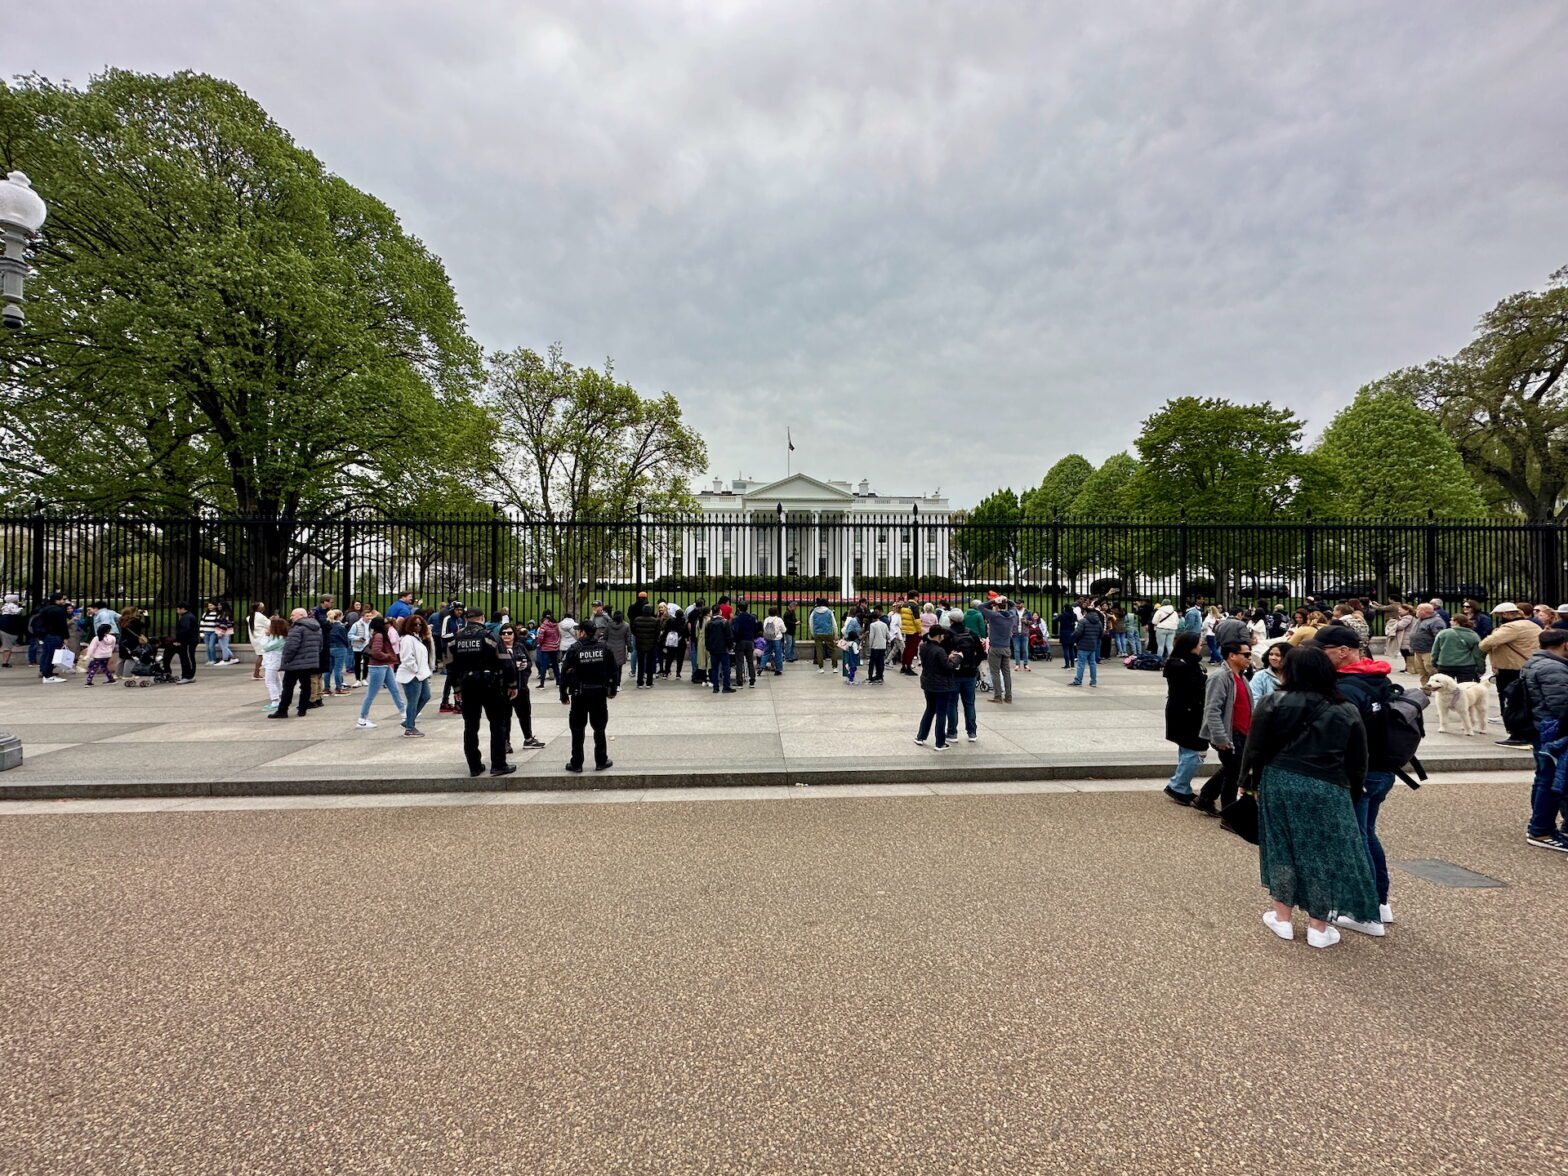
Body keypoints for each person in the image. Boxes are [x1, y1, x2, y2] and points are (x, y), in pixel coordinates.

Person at [1246, 645, 1380, 949]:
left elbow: (1255, 748)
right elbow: (1358, 758)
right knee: (1322, 851)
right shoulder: (1345, 708)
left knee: (1281, 847)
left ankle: (1282, 917)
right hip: (1328, 784)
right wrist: (1353, 790)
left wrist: (1249, 782)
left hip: (1280, 778)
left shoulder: (1273, 701)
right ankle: (1319, 925)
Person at [1310, 625, 1400, 934]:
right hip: (1383, 769)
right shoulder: (1377, 677)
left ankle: (1363, 911)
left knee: (1353, 839)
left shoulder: (1346, 686)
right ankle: (1378, 901)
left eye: (1323, 651)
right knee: (1366, 834)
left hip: (1359, 772)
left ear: (1343, 651)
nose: (1319, 657)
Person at [445, 608, 515, 776]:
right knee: (497, 724)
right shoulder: (489, 636)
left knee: (470, 726)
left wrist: (456, 688)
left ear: (467, 619)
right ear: (482, 618)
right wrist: (512, 684)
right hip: (490, 684)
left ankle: (474, 766)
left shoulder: (455, 639)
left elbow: (450, 665)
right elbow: (506, 662)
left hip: (467, 685)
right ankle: (498, 764)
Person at [1519, 628, 1568, 852]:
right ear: (1564, 645)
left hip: (1541, 726)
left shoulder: (1537, 662)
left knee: (1544, 778)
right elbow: (1561, 705)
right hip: (1552, 729)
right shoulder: (1553, 667)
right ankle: (1541, 829)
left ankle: (1542, 825)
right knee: (1550, 780)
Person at [1195, 640, 1253, 815]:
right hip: (1229, 733)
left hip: (1242, 732)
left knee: (1231, 768)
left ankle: (1205, 798)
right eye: (1246, 654)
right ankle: (1229, 812)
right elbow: (1212, 709)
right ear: (1232, 656)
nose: (1250, 657)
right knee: (1234, 772)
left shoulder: (1241, 677)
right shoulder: (1219, 677)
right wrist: (1220, 736)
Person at [1481, 603, 1542, 747]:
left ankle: (1518, 734)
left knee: (1512, 703)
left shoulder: (1511, 628)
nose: (1499, 618)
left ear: (1507, 614)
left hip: (1511, 669)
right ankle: (1529, 732)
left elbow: (1485, 643)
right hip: (1529, 666)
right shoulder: (1532, 625)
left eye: (1500, 615)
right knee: (1526, 702)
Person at [559, 620, 617, 772]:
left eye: (579, 631)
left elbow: (564, 672)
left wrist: (563, 694)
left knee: (577, 729)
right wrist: (612, 690)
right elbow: (613, 670)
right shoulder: (604, 648)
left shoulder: (575, 649)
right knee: (599, 728)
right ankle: (601, 760)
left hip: (579, 694)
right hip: (599, 694)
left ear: (583, 632)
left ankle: (577, 763)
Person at [1162, 631, 1209, 805]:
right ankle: (1178, 785)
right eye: (1199, 644)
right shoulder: (1180, 665)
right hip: (1186, 712)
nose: (1201, 646)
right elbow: (1195, 687)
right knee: (1194, 750)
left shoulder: (1186, 663)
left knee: (1188, 749)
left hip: (1187, 710)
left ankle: (1182, 785)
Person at [497, 624, 547, 755]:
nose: (506, 635)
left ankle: (528, 738)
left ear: (514, 634)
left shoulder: (519, 647)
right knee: (505, 716)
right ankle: (505, 741)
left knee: (524, 714)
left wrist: (524, 667)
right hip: (505, 689)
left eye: (509, 633)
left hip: (521, 686)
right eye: (503, 633)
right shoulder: (498, 649)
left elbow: (529, 662)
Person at [269, 608, 322, 718]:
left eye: (293, 615)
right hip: (309, 662)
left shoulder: (297, 627)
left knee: (288, 687)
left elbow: (291, 646)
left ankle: (282, 710)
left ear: (301, 615)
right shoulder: (316, 627)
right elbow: (320, 645)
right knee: (306, 686)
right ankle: (302, 709)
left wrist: (286, 659)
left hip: (295, 662)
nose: (291, 617)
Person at [357, 617, 406, 729]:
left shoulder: (378, 635)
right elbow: (376, 652)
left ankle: (404, 713)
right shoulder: (379, 635)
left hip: (383, 665)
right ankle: (362, 719)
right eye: (384, 623)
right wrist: (387, 656)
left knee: (395, 690)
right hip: (378, 666)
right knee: (371, 694)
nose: (387, 625)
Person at [396, 613, 435, 737]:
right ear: (409, 625)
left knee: (426, 696)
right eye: (415, 624)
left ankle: (408, 721)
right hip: (412, 675)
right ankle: (409, 728)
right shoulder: (407, 639)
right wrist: (416, 670)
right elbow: (407, 658)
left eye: (420, 624)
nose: (418, 626)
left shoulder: (416, 638)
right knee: (413, 701)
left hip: (420, 674)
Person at [947, 609, 982, 743]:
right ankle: (972, 732)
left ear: (950, 620)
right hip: (970, 673)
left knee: (952, 704)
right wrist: (973, 664)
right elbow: (981, 653)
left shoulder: (948, 634)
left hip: (954, 673)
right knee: (969, 704)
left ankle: (952, 733)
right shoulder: (971, 633)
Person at [980, 596, 1017, 704]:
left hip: (995, 647)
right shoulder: (1011, 615)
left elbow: (980, 606)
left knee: (995, 673)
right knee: (1006, 673)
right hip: (1006, 647)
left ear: (996, 606)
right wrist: (1006, 599)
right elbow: (1013, 605)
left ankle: (998, 696)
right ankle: (1008, 696)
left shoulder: (995, 616)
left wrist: (994, 601)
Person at [1431, 612, 1485, 684]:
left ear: (1456, 622)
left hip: (1445, 665)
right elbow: (1477, 654)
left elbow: (1435, 650)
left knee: (1446, 688)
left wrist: (1434, 662)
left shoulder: (1443, 633)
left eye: (1451, 620)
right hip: (1466, 666)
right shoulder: (1473, 635)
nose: (1449, 621)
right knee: (1464, 688)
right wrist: (1481, 668)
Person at [1404, 603, 1446, 686]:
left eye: (1418, 609)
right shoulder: (1419, 619)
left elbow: (1439, 637)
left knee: (1430, 669)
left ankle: (1439, 686)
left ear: (1425, 611)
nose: (1416, 610)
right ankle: (1426, 688)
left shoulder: (1436, 621)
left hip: (1428, 650)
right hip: (1418, 650)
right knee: (1421, 671)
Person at [36, 592, 71, 682]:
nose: (64, 601)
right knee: (51, 655)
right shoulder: (59, 610)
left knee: (46, 654)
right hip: (55, 635)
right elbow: (62, 625)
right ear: (57, 600)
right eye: (62, 599)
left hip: (46, 635)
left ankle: (45, 672)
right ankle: (48, 675)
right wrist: (66, 637)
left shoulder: (45, 609)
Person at [1070, 604, 1105, 687]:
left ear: (1086, 612)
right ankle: (1093, 681)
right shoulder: (1099, 622)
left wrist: (1073, 637)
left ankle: (1078, 680)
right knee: (1092, 664)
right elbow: (1101, 634)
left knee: (1081, 664)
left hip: (1083, 645)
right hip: (1093, 646)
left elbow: (1077, 633)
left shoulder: (1083, 621)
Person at [259, 615, 288, 712]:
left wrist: (265, 636)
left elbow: (265, 646)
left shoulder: (279, 638)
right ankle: (279, 697)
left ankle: (275, 700)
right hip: (272, 661)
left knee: (270, 681)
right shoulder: (278, 637)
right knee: (275, 680)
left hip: (273, 661)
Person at [630, 601, 662, 689]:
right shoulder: (655, 621)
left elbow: (633, 630)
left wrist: (639, 636)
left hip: (640, 644)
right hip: (651, 644)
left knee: (640, 664)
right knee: (650, 664)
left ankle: (639, 682)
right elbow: (657, 633)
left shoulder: (637, 619)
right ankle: (649, 682)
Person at [705, 606, 735, 694]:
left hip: (713, 649)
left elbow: (707, 638)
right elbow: (729, 636)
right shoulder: (725, 622)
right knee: (726, 668)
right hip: (723, 649)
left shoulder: (709, 623)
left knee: (714, 668)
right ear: (720, 611)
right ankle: (726, 686)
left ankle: (715, 687)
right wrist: (730, 646)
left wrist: (708, 647)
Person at [731, 600, 760, 688]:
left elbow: (736, 630)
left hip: (740, 641)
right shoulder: (752, 618)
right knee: (750, 661)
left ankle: (739, 681)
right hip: (750, 641)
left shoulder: (737, 618)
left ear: (739, 609)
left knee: (739, 662)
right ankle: (752, 680)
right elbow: (755, 629)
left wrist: (735, 640)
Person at [324, 609, 352, 695]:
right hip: (339, 647)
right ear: (339, 616)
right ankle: (338, 688)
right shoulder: (340, 627)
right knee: (338, 669)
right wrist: (348, 646)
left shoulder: (327, 625)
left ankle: (326, 688)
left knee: (328, 669)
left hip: (329, 648)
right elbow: (345, 639)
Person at [603, 609, 631, 689]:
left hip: (609, 648)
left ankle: (610, 683)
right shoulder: (626, 625)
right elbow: (628, 639)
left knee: (609, 667)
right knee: (619, 668)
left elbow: (605, 636)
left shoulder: (609, 625)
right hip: (620, 648)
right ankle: (617, 685)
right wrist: (629, 647)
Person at [809, 598, 838, 672]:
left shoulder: (814, 612)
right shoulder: (829, 612)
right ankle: (834, 667)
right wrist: (836, 634)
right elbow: (834, 624)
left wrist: (813, 633)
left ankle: (821, 668)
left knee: (819, 651)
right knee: (832, 650)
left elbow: (811, 624)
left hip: (818, 633)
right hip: (828, 633)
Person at [173, 602, 199, 683]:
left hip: (188, 641)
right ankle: (186, 674)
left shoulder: (186, 617)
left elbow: (185, 630)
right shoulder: (187, 616)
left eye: (178, 609)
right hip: (188, 641)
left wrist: (179, 640)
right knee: (186, 657)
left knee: (187, 657)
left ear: (183, 609)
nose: (177, 611)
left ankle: (188, 676)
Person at [534, 612, 561, 687]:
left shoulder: (543, 625)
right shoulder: (556, 625)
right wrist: (556, 644)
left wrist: (540, 644)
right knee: (555, 665)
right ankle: (558, 682)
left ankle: (542, 683)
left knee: (544, 666)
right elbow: (559, 635)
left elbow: (540, 637)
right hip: (555, 648)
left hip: (545, 648)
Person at [898, 595, 922, 674]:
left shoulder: (904, 604)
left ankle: (904, 666)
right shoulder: (914, 606)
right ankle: (908, 667)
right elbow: (917, 620)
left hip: (906, 629)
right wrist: (919, 631)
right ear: (915, 597)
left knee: (907, 648)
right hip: (913, 630)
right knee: (912, 649)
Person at [865, 611, 890, 684]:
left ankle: (870, 676)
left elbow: (871, 637)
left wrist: (870, 645)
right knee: (881, 661)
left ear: (873, 618)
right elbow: (888, 635)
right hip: (882, 645)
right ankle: (880, 676)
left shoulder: (873, 625)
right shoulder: (884, 624)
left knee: (872, 662)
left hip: (875, 646)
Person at [248, 602, 269, 680]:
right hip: (262, 639)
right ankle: (256, 674)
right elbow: (269, 624)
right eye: (262, 606)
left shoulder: (250, 616)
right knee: (262, 656)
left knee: (261, 656)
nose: (263, 607)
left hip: (255, 639)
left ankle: (257, 673)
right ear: (258, 608)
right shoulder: (260, 617)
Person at [762, 607, 786, 676]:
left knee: (766, 653)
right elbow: (784, 630)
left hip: (768, 638)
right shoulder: (779, 620)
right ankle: (778, 669)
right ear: (776, 612)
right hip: (776, 639)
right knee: (778, 654)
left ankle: (761, 666)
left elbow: (764, 628)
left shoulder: (766, 619)